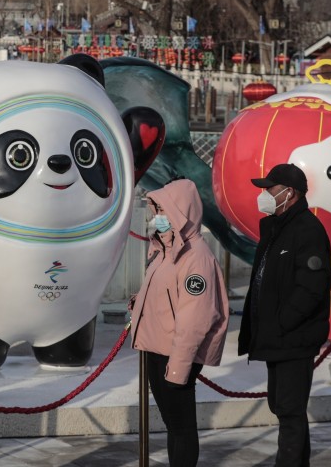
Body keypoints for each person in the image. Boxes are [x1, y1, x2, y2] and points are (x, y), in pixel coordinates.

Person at [128, 177, 229, 467]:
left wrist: (179, 366)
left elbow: (195, 318)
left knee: (182, 427)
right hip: (157, 349)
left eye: (163, 210)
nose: (157, 217)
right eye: (156, 210)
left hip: (175, 353)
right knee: (174, 426)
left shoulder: (195, 257)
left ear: (180, 212)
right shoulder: (165, 250)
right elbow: (167, 295)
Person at [239, 162, 331, 467]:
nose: (264, 195)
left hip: (293, 338)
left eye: (270, 189)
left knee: (290, 411)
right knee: (283, 407)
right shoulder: (275, 227)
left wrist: (282, 322)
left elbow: (311, 287)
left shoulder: (308, 230)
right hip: (276, 337)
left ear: (289, 193)